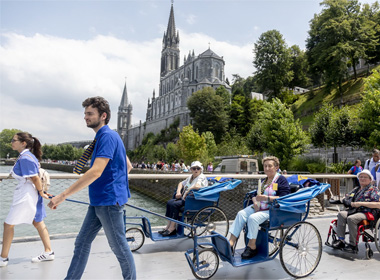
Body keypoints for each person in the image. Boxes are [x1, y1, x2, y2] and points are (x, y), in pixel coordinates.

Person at [48, 96, 136, 280]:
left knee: (119, 247)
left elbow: (95, 172)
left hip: (109, 202)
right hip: (100, 201)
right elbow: (127, 166)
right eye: (85, 113)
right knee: (82, 243)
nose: (85, 117)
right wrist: (116, 182)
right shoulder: (108, 136)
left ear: (103, 115)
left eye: (90, 113)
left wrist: (62, 196)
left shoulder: (107, 136)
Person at [1, 132, 53, 267]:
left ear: (23, 143)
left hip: (27, 195)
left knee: (8, 224)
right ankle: (49, 251)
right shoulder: (27, 156)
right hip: (30, 193)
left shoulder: (25, 158)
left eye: (14, 140)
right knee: (37, 221)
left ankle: (3, 258)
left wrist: (41, 192)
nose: (11, 142)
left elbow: (35, 177)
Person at [228, 156, 290, 259]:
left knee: (253, 218)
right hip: (260, 207)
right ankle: (230, 243)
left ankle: (252, 246)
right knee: (241, 214)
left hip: (273, 209)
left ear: (276, 167)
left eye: (269, 166)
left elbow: (284, 197)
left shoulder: (281, 180)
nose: (266, 168)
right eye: (265, 166)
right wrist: (255, 201)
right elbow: (255, 194)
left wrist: (267, 197)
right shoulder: (264, 181)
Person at [332, 169, 380, 253]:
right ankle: (341, 240)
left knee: (351, 218)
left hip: (367, 212)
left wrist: (361, 203)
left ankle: (353, 245)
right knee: (341, 214)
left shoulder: (373, 190)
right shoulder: (356, 189)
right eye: (361, 177)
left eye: (365, 177)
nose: (362, 179)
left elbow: (378, 204)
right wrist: (343, 199)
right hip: (354, 210)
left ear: (370, 179)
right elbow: (347, 197)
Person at [158, 161, 208, 237]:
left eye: (198, 168)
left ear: (201, 169)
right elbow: (181, 183)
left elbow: (197, 186)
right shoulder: (190, 177)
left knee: (174, 205)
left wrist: (188, 190)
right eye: (194, 168)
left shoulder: (201, 177)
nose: (196, 170)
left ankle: (172, 228)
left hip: (194, 201)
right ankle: (168, 226)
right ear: (191, 169)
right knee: (169, 203)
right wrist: (178, 192)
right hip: (186, 199)